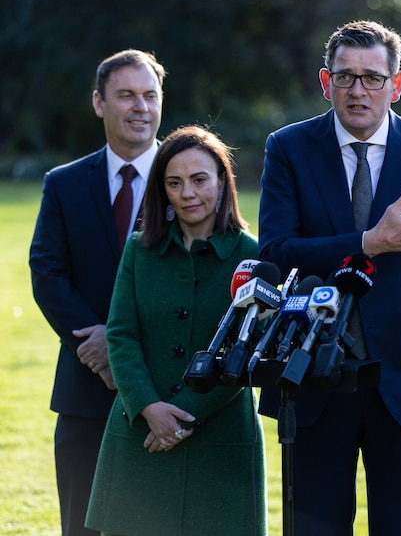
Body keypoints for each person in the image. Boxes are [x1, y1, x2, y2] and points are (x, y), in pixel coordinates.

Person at [257, 20, 401, 536]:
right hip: (312, 376)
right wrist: (369, 243)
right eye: (345, 76)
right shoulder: (288, 148)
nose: (358, 90)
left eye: (372, 78)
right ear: (324, 81)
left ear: (395, 86)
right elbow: (276, 254)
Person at [84, 125, 265, 535]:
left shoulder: (251, 256)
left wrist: (182, 418)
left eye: (199, 179)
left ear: (222, 183)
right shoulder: (139, 250)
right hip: (140, 432)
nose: (188, 193)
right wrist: (149, 408)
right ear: (162, 191)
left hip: (220, 439)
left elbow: (244, 347)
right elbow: (120, 335)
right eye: (174, 182)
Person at [29, 49, 165, 536]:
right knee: (82, 528)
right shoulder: (63, 184)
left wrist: (123, 343)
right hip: (86, 389)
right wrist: (99, 345)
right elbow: (47, 273)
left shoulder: (192, 181)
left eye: (150, 95)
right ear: (98, 103)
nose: (140, 107)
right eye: (126, 95)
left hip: (163, 387)